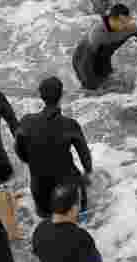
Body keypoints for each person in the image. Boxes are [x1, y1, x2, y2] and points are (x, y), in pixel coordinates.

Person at [16, 77, 92, 219]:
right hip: (66, 188)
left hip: (39, 187)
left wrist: (34, 162)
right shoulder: (70, 125)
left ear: (41, 96)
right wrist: (87, 173)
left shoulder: (26, 122)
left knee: (46, 220)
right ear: (61, 95)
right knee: (77, 220)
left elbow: (19, 151)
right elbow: (85, 157)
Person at [31, 182, 118, 262]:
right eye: (79, 201)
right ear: (74, 208)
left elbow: (40, 255)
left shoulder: (40, 230)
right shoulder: (80, 238)